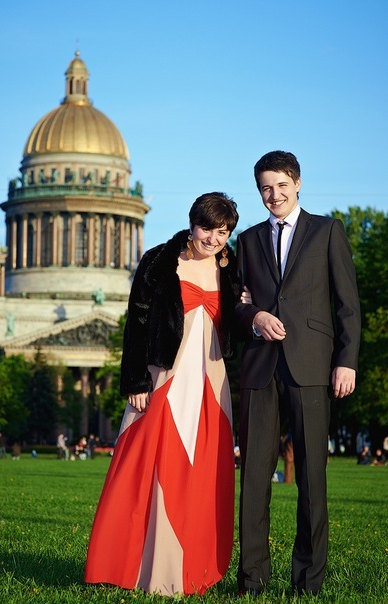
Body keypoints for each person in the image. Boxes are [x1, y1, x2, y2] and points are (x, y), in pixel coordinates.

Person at [85, 192, 240, 596]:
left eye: (222, 232)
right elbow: (136, 323)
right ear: (192, 224)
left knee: (204, 471)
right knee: (143, 468)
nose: (212, 239)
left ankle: (194, 568)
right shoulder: (159, 261)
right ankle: (134, 566)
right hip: (163, 377)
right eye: (206, 228)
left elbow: (238, 323)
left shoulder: (232, 267)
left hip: (211, 381)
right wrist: (135, 381)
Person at [236, 151, 361, 597]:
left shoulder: (327, 231)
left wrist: (346, 360)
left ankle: (308, 582)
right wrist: (254, 316)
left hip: (312, 365)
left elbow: (347, 304)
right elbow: (235, 303)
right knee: (254, 479)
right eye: (265, 188)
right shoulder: (247, 240)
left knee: (311, 479)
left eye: (281, 185)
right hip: (260, 368)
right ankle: (251, 581)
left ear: (298, 183)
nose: (274, 195)